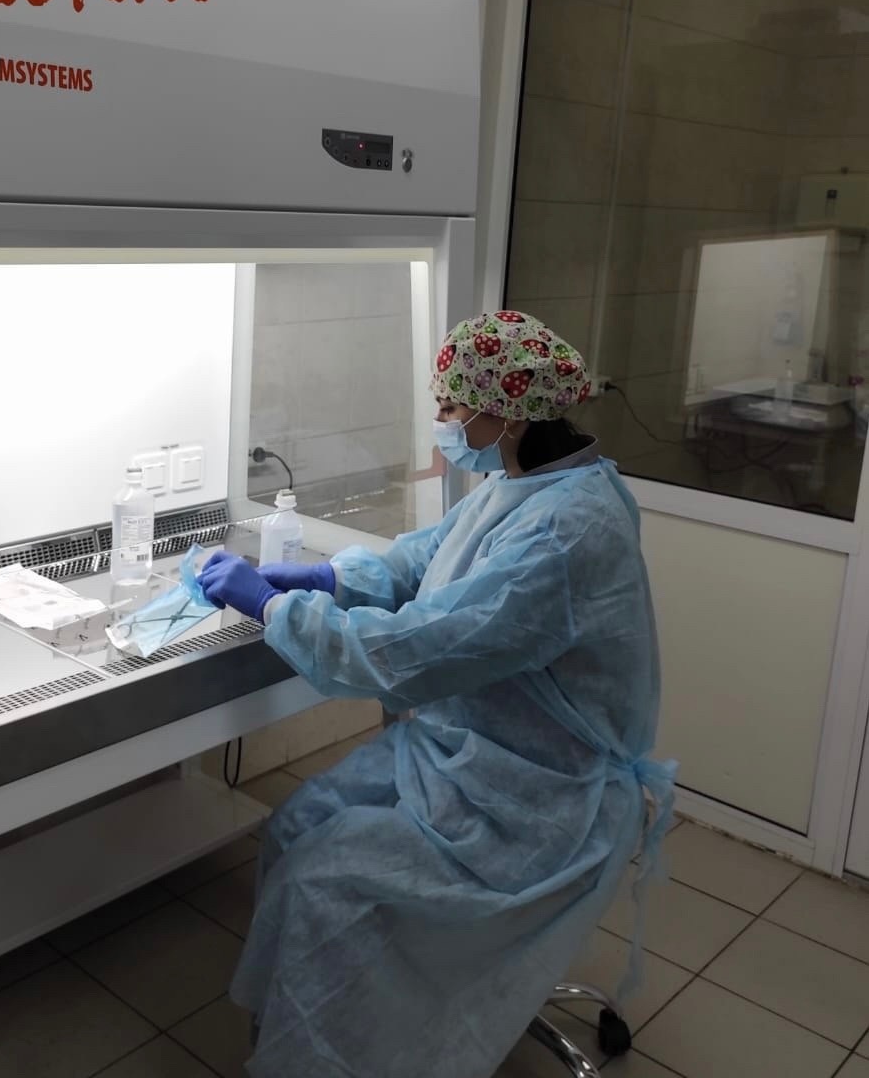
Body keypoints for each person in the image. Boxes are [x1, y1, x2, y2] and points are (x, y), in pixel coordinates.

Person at [199, 310, 676, 1078]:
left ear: (509, 411)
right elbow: (425, 562)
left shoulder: (565, 531)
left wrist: (275, 607)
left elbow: (416, 653)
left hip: (537, 797)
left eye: (453, 404)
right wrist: (327, 578)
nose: (444, 420)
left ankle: (336, 1056)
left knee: (326, 889)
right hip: (465, 753)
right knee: (296, 826)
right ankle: (322, 1027)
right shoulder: (525, 485)